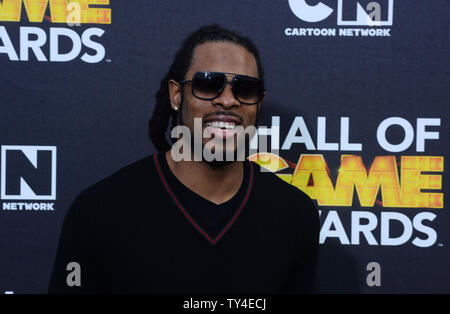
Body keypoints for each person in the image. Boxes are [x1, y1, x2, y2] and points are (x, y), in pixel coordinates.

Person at [48, 24, 319, 294]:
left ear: (258, 103)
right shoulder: (99, 210)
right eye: (208, 84)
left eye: (245, 89)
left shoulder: (294, 213)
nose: (227, 100)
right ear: (177, 95)